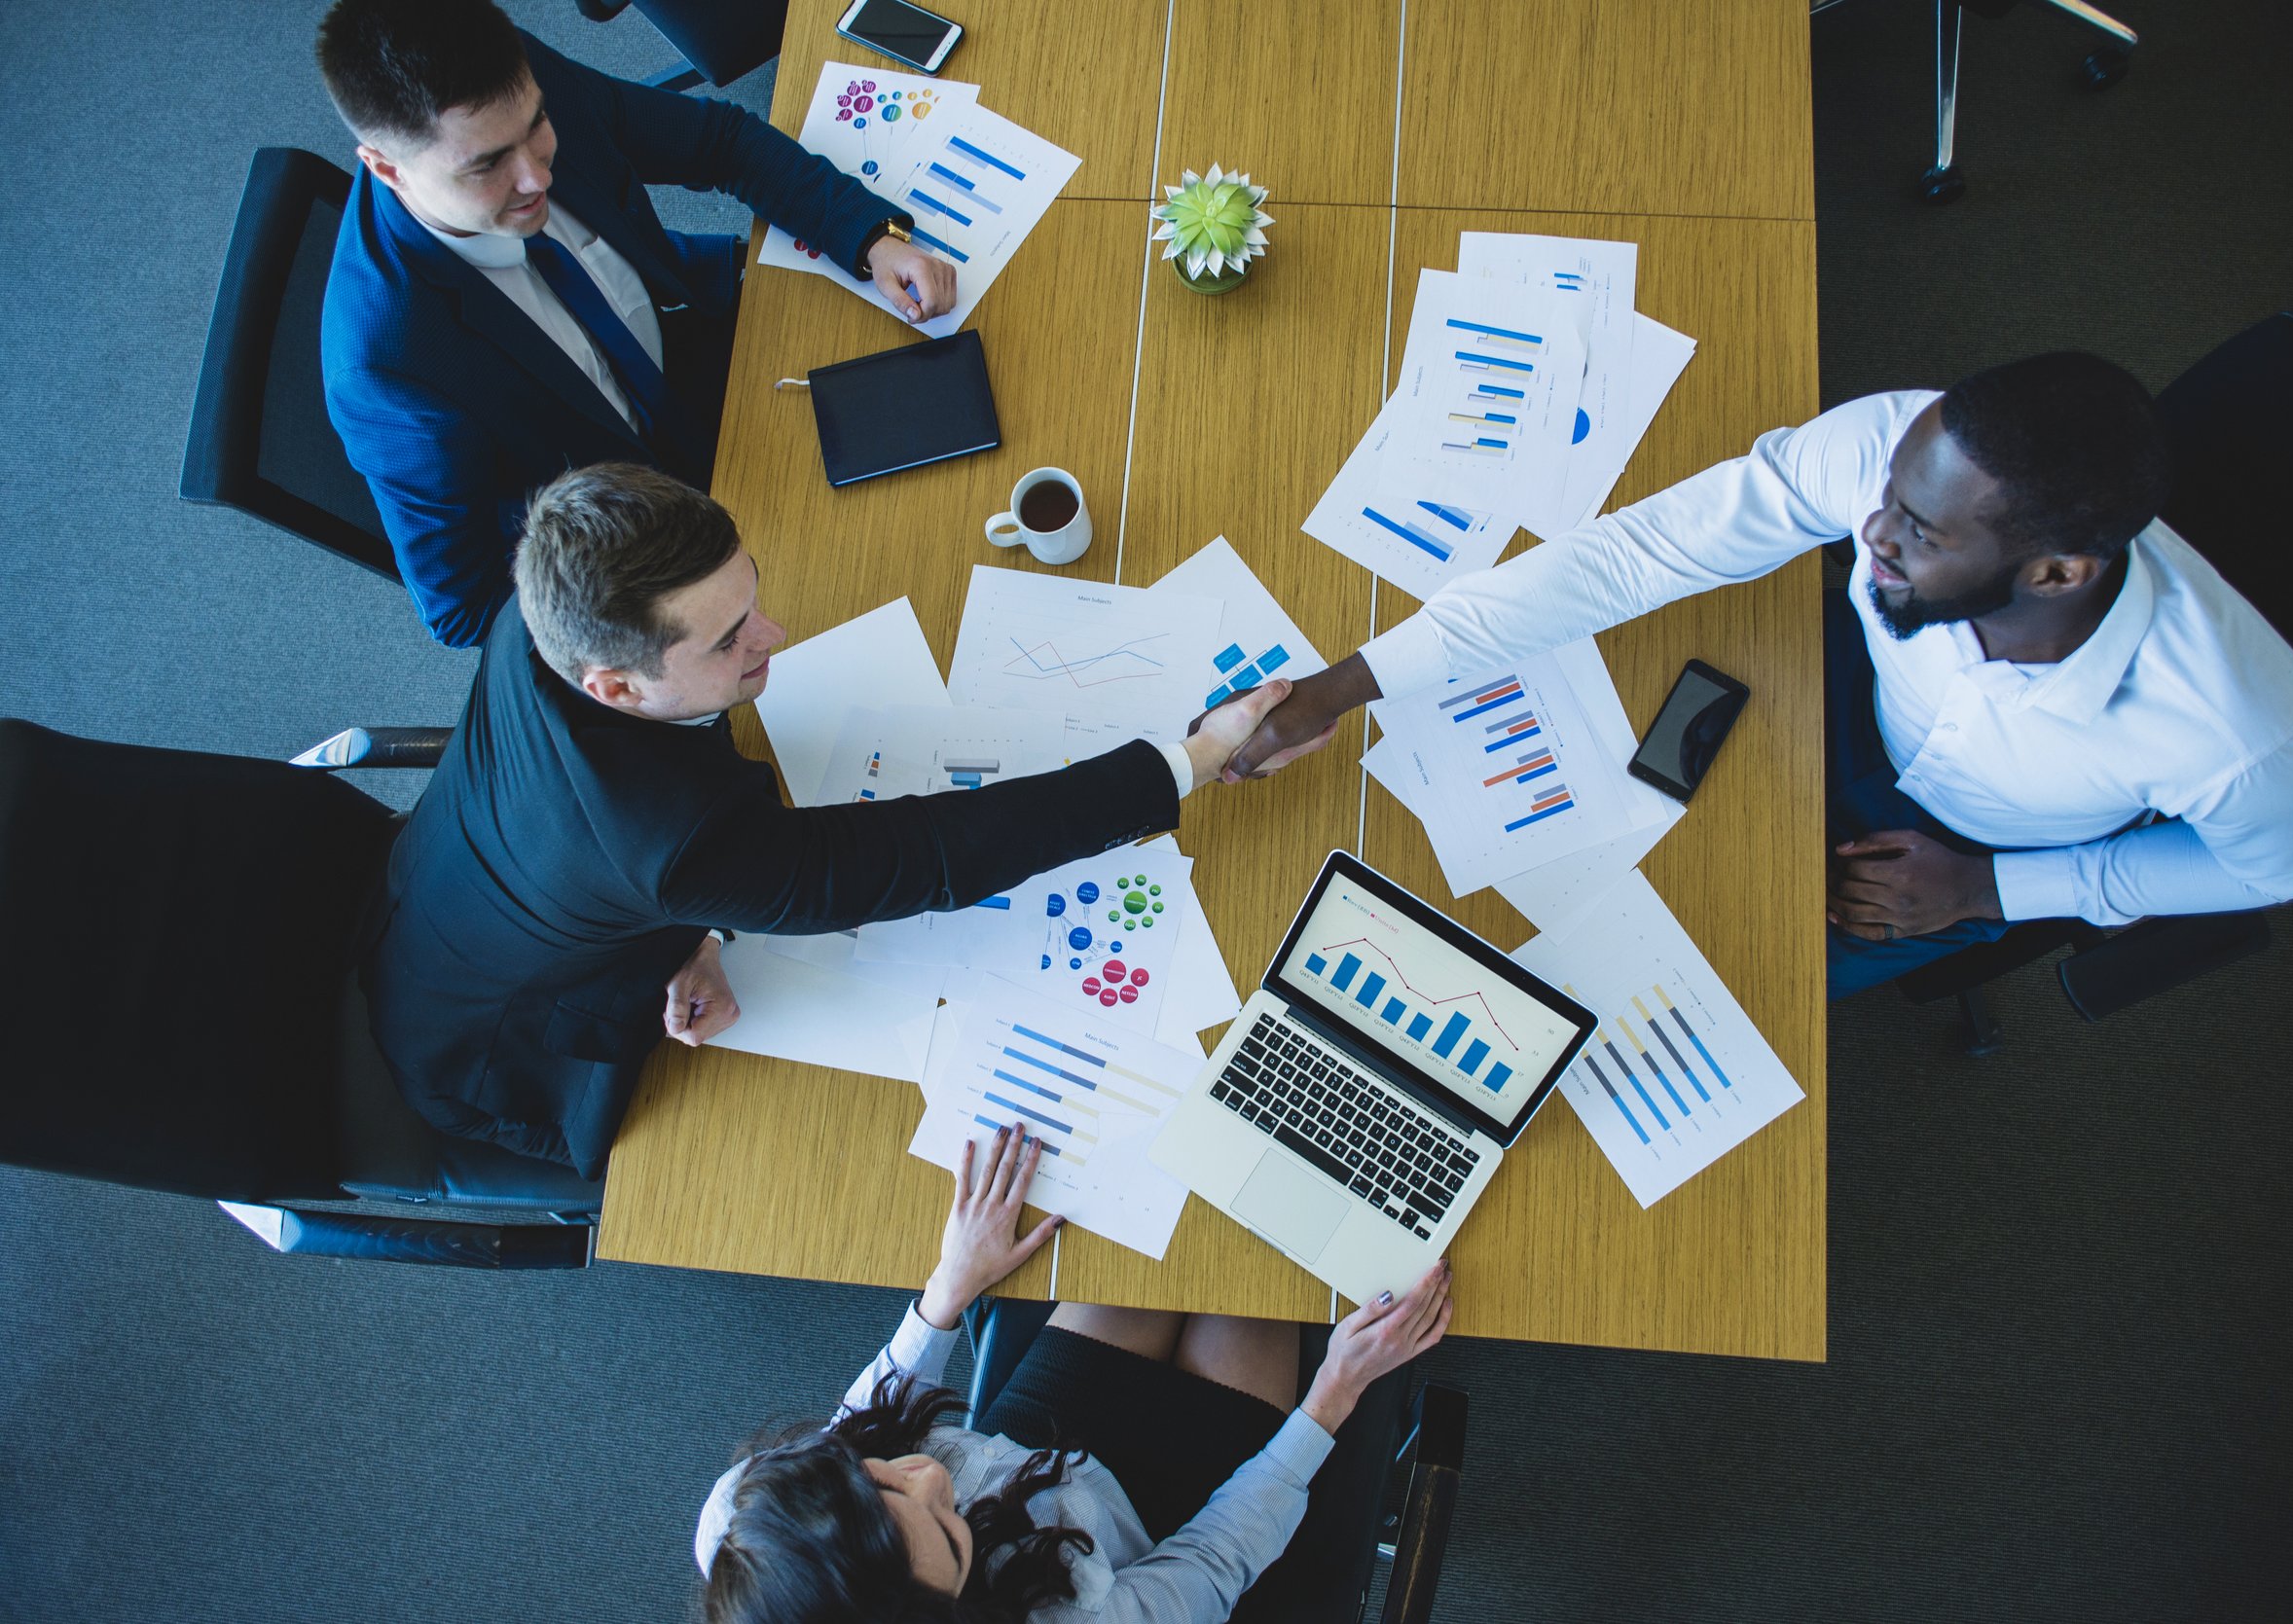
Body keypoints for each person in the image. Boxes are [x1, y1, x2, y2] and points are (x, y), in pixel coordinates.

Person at [1224, 353, 2293, 997]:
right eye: (1889, 497)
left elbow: (2286, 867)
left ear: (2057, 570)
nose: (1868, 532)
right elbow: (1639, 552)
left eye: (1916, 531)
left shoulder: (2242, 734)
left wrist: (1993, 894)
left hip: (1972, 850)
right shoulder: (1898, 453)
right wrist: (1339, 688)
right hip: (1846, 698)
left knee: (1680, 996)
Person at [360, 464, 1294, 1176]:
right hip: (493, 1043)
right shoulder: (682, 844)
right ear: (613, 684)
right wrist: (1192, 760)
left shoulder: (542, 610)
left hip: (440, 873)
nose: (772, 635)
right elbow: (936, 853)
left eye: (750, 597)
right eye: (729, 640)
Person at [315, 0, 955, 648]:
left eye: (537, 127)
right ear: (387, 167)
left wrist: (870, 236)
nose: (537, 175)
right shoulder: (388, 364)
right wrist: (671, 615)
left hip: (704, 333)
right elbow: (468, 609)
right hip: (650, 525)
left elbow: (718, 144)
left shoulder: (513, 88)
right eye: (485, 166)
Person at [692, 1123, 1453, 1622]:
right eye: (947, 1538)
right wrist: (1332, 1395)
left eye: (881, 1482)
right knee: (1262, 1254)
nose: (928, 1475)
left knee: (1166, 1215)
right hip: (1149, 1526)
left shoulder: (752, 1522)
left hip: (1036, 1449)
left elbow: (859, 1421)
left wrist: (948, 1289)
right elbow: (1214, 1558)